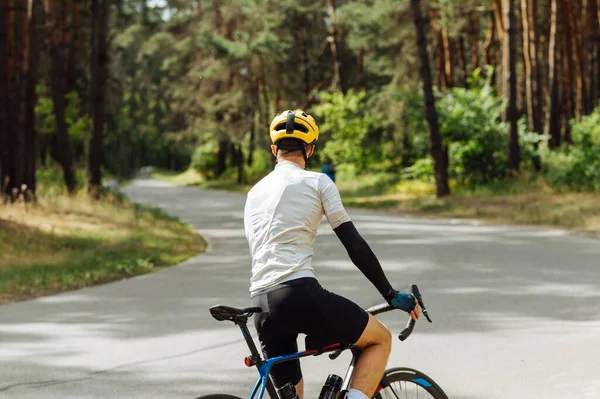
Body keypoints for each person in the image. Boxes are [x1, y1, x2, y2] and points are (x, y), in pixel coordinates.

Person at [244, 110, 420, 399]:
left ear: (274, 150)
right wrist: (390, 293)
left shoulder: (253, 193)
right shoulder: (319, 182)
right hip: (299, 294)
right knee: (379, 339)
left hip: (261, 305)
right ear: (310, 149)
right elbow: (354, 244)